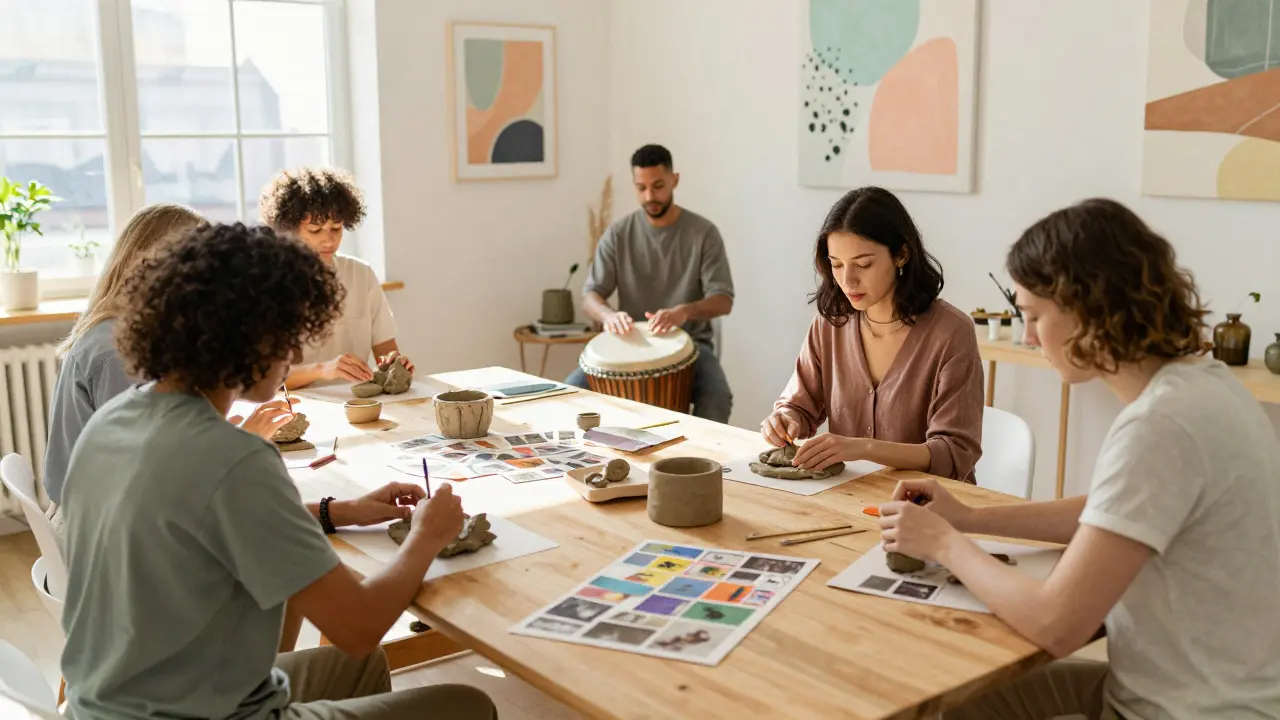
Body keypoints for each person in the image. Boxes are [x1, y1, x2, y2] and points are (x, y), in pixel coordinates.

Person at [59, 222, 496, 719]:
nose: (293, 355)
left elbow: (203, 524)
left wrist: (340, 511)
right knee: (466, 703)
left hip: (103, 707)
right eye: (287, 335)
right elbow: (358, 626)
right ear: (245, 338)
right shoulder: (235, 458)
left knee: (360, 669)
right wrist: (427, 536)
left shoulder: (115, 421)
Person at [879, 199, 1280, 719]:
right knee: (956, 707)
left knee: (940, 708)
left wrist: (946, 544)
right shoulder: (1203, 385)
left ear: (1088, 307)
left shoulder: (1161, 424)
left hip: (1186, 709)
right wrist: (970, 518)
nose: (1027, 336)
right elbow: (1115, 510)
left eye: (1034, 316)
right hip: (1199, 689)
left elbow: (1057, 624)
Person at [43, 204, 295, 528]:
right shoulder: (119, 354)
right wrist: (237, 444)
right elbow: (145, 482)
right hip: (98, 524)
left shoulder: (121, 332)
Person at [760, 187, 983, 482]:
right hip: (849, 498)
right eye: (836, 265)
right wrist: (785, 420)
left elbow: (953, 452)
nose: (847, 280)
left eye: (863, 264)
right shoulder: (829, 325)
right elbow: (799, 405)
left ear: (901, 255)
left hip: (930, 509)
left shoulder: (952, 333)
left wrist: (863, 448)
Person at [567, 144, 735, 422]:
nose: (649, 196)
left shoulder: (703, 233)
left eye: (658, 186)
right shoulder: (619, 234)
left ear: (674, 180)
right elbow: (591, 295)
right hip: (627, 341)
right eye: (641, 187)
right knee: (569, 392)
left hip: (690, 345)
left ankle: (700, 463)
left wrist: (684, 311)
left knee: (717, 395)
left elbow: (723, 299)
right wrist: (609, 316)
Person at [259, 167, 414, 389]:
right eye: (315, 230)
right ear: (289, 229)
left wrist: (395, 366)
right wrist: (323, 369)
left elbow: (386, 353)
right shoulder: (270, 285)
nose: (329, 240)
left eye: (336, 228)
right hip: (299, 411)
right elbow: (265, 380)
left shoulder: (361, 274)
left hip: (359, 405)